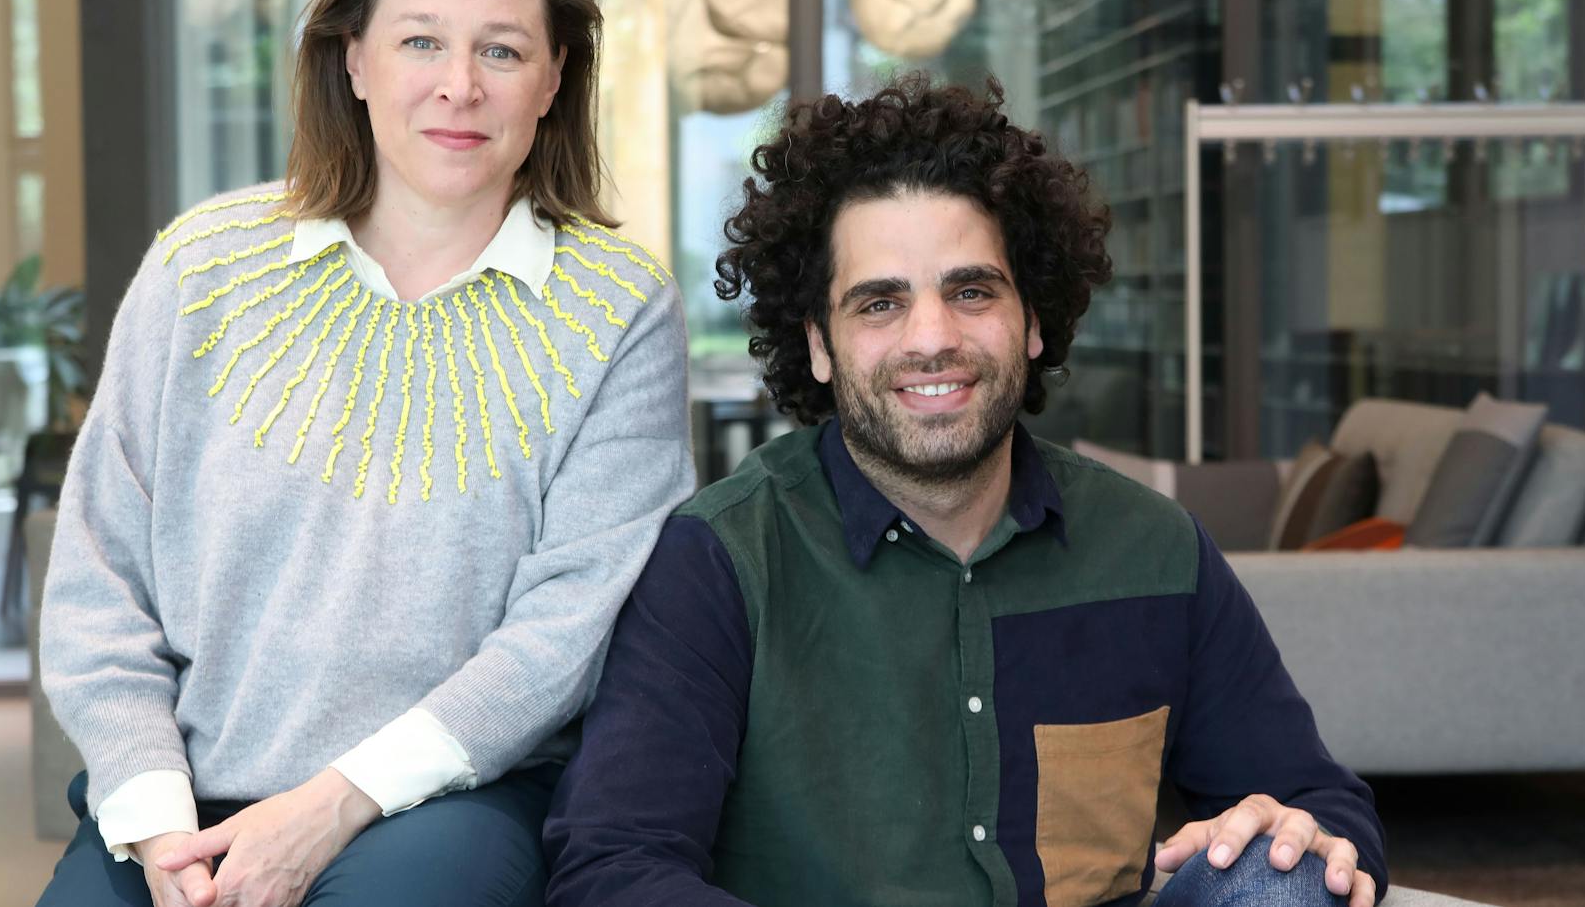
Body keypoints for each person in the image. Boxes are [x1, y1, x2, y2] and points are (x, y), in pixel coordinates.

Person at [544, 76, 1387, 907]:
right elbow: (614, 864)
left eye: (971, 291)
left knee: (1286, 879)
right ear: (820, 346)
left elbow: (1325, 806)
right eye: (880, 303)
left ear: (1032, 320)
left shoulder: (1155, 549)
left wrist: (1299, 835)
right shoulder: (721, 562)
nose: (932, 338)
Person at [37, 0, 693, 907]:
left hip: (448, 798)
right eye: (421, 41)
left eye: (503, 50)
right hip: (183, 793)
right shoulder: (201, 265)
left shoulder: (618, 305)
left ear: (555, 77)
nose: (459, 87)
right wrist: (159, 821)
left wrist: (332, 803)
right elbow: (98, 582)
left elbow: (567, 628)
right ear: (352, 56)